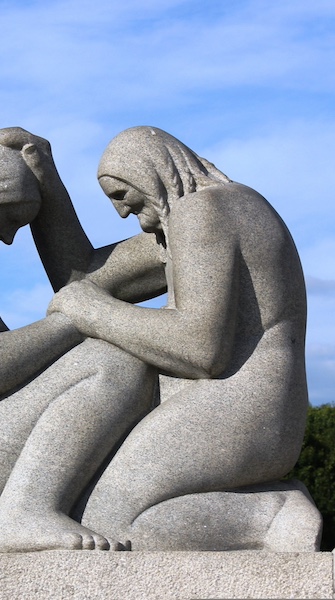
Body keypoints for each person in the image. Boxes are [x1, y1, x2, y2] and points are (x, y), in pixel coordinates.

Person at [0, 126, 309, 550]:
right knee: (103, 510)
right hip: (263, 409)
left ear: (147, 172)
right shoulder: (207, 215)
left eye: (120, 193)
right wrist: (48, 185)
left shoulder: (203, 212)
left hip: (236, 402)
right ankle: (272, 510)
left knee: (110, 514)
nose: (121, 212)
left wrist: (88, 314)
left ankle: (271, 515)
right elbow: (85, 278)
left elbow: (200, 349)